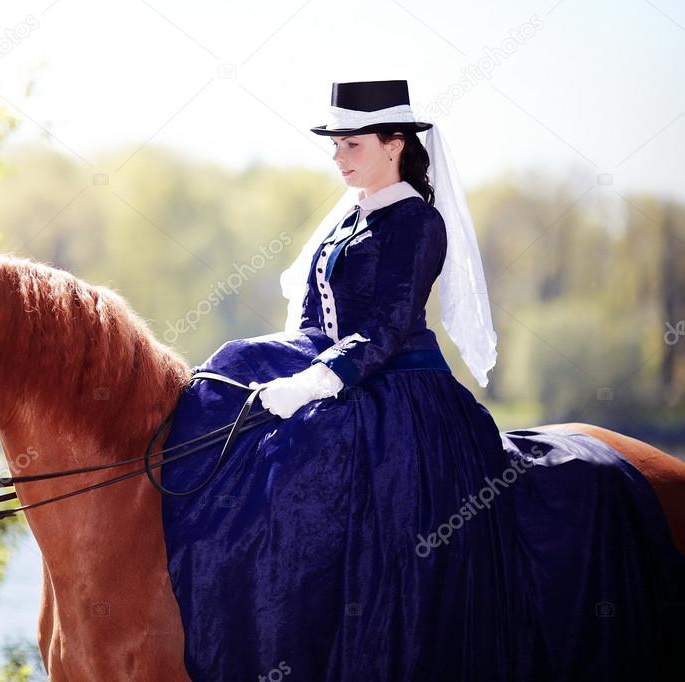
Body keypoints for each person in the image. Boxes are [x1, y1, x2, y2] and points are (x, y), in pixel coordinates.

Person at [159, 79, 683, 681]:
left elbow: (385, 328)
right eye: (335, 144)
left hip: (401, 392)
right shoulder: (346, 223)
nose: (338, 156)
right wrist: (269, 369)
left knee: (361, 503)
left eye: (351, 143)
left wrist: (309, 385)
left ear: (394, 144)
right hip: (345, 380)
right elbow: (312, 319)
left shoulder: (415, 224)